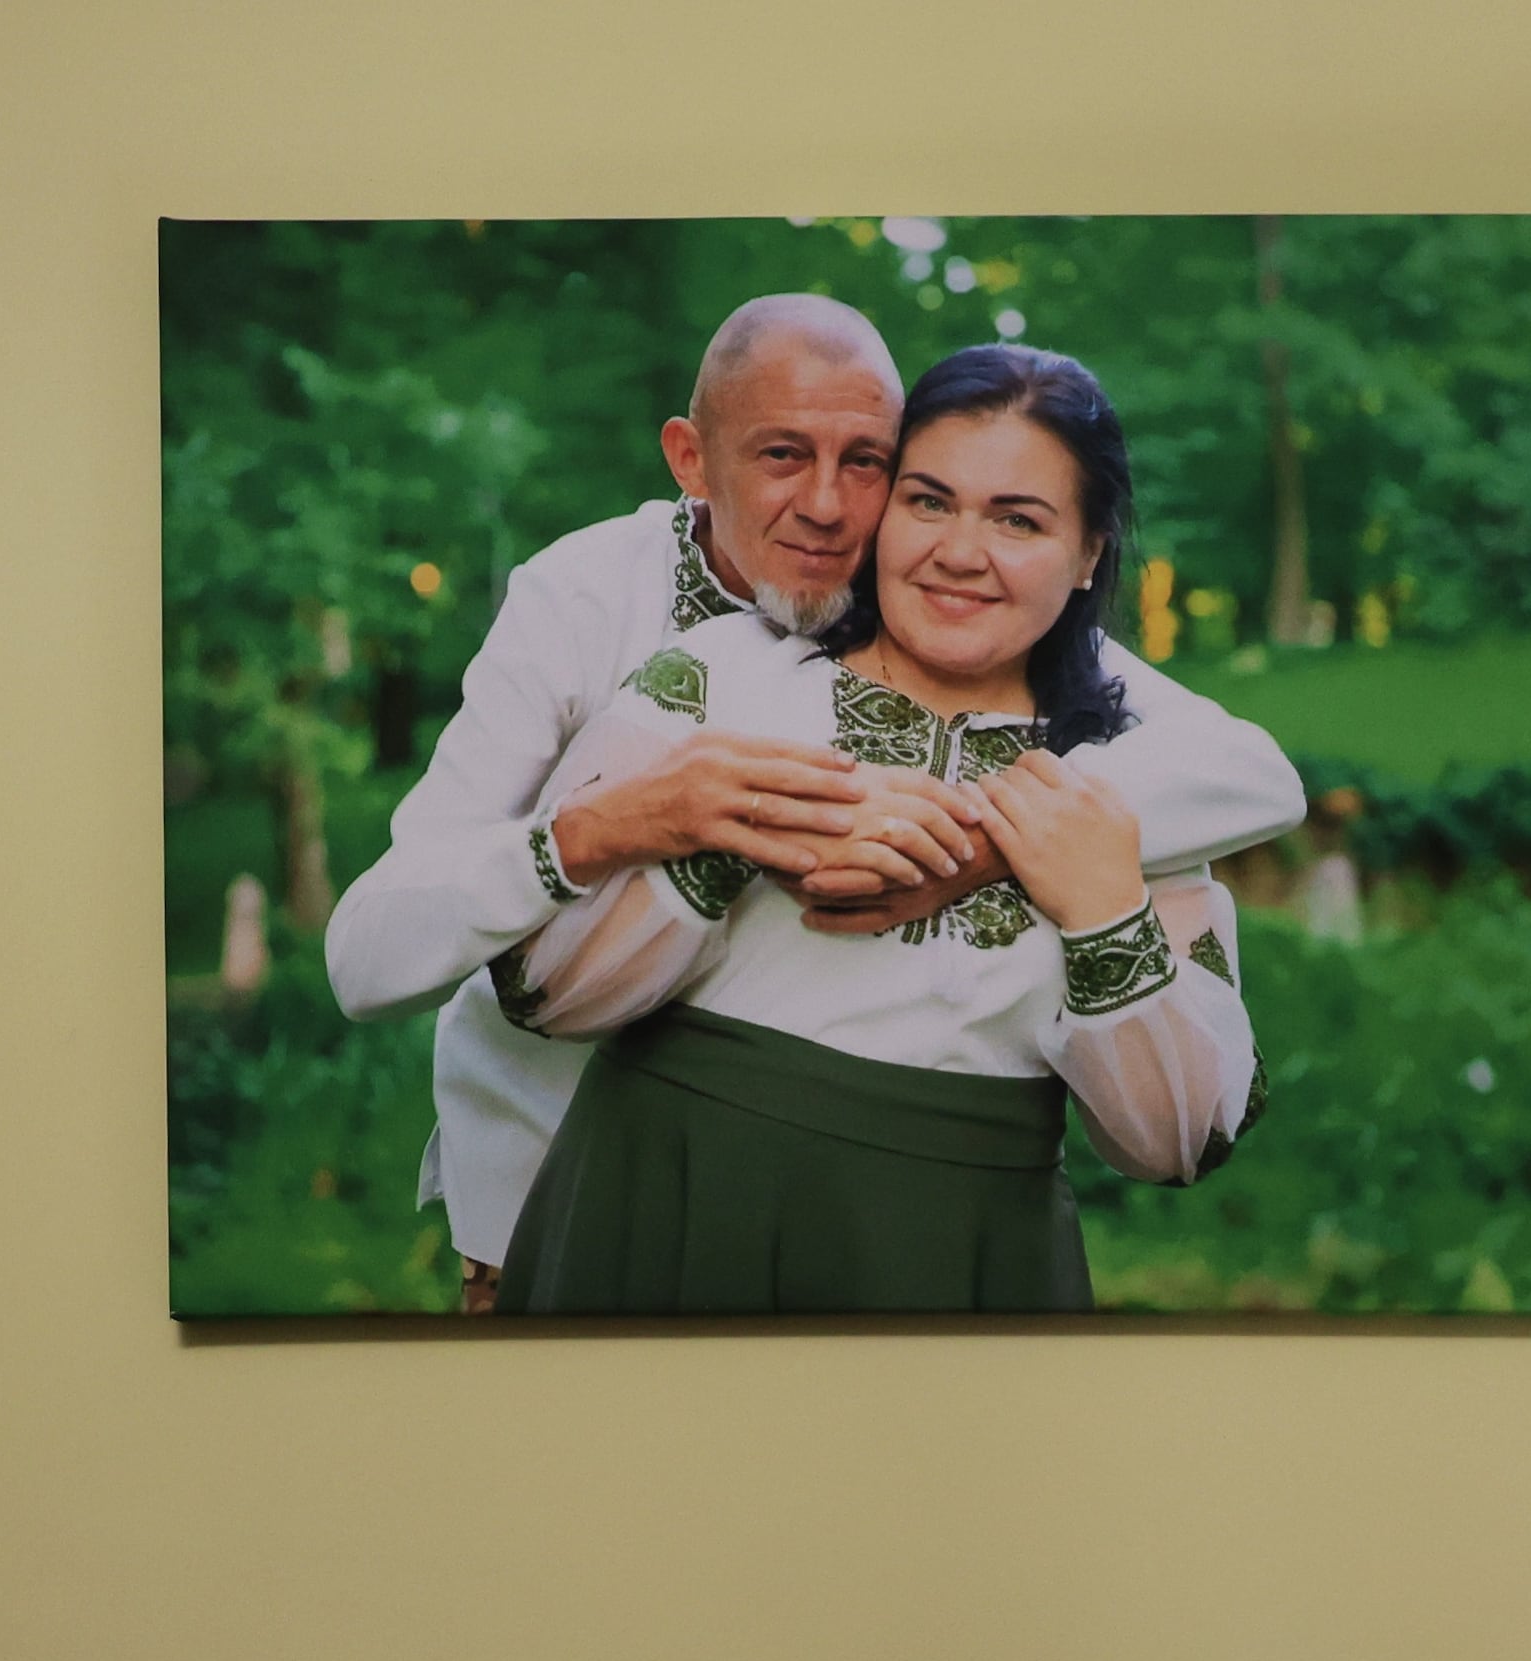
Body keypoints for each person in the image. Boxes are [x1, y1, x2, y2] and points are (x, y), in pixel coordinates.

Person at [320, 299, 1302, 1305]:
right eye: (783, 455)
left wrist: (1006, 850)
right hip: (611, 1191)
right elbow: (431, 970)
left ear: (1088, 552)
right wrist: (641, 823)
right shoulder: (627, 625)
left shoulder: (1110, 738)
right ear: (691, 460)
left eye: (868, 466)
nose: (831, 508)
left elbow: (1257, 774)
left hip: (949, 1247)